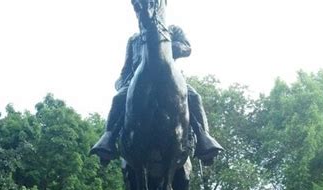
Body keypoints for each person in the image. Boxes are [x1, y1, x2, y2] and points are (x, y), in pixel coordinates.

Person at [90, 0, 223, 166]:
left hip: (169, 80)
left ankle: (204, 140)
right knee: (118, 99)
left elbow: (187, 48)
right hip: (137, 84)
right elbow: (125, 69)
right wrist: (123, 85)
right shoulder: (134, 40)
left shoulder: (173, 30)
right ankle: (108, 140)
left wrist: (164, 48)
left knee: (194, 96)